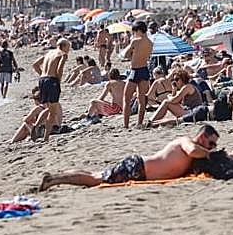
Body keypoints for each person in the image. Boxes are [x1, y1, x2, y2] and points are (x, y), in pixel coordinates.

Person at [40, 125, 221, 188]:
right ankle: (54, 180)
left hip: (140, 169)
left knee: (95, 175)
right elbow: (192, 151)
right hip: (138, 167)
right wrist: (210, 153)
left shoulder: (195, 148)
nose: (212, 148)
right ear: (203, 136)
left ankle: (57, 177)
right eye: (211, 143)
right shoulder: (187, 142)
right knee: (95, 179)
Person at [33, 38, 70, 134]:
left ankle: (37, 126)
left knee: (48, 108)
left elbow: (35, 65)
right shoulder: (62, 54)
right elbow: (59, 69)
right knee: (53, 112)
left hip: (42, 80)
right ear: (63, 46)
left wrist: (43, 74)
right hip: (52, 80)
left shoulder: (49, 53)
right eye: (68, 47)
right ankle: (44, 135)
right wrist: (58, 80)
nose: (69, 50)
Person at [123, 21, 153, 128]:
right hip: (144, 70)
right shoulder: (150, 43)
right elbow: (147, 56)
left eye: (135, 31)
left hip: (135, 70)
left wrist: (132, 55)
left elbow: (125, 55)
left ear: (138, 30)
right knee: (142, 100)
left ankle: (126, 125)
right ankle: (139, 123)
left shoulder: (135, 41)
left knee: (126, 99)